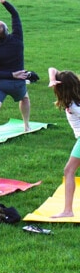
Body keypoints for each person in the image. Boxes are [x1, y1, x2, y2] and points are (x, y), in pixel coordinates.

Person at [0, 0, 30, 136]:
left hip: (0, 84)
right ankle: (26, 125)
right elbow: (15, 15)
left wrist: (10, 74)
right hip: (17, 82)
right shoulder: (17, 39)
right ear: (7, 30)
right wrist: (3, 1)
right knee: (25, 98)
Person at [47, 67, 80, 218]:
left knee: (69, 170)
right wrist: (52, 79)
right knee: (69, 171)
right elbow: (51, 68)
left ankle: (68, 211)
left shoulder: (74, 106)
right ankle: (68, 210)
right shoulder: (74, 100)